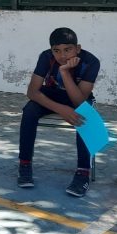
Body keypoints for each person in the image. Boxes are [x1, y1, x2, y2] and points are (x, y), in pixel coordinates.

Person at [16, 28, 101, 197]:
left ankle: (83, 173)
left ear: (78, 48)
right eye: (57, 51)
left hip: (78, 97)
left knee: (86, 116)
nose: (62, 56)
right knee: (30, 110)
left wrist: (64, 72)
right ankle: (24, 164)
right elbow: (32, 92)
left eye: (68, 50)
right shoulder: (46, 57)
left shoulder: (91, 62)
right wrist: (61, 109)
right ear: (51, 50)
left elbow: (79, 102)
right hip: (52, 96)